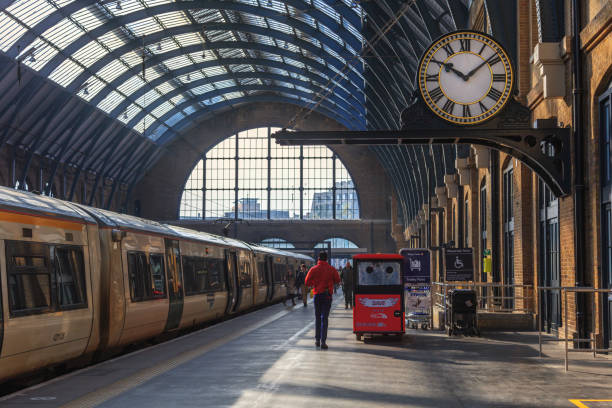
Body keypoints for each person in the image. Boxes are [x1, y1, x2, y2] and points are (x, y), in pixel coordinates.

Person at [305, 251, 340, 350]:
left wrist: (315, 284)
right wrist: (330, 283)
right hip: (327, 295)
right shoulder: (331, 269)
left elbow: (307, 282)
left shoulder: (313, 269)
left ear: (318, 259)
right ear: (327, 259)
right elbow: (337, 280)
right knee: (324, 318)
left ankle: (317, 340)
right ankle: (323, 342)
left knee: (317, 317)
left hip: (317, 295)